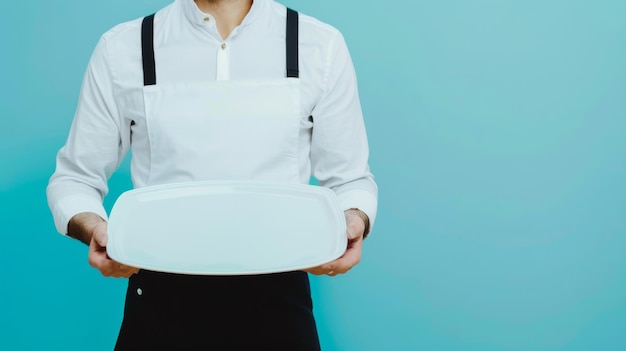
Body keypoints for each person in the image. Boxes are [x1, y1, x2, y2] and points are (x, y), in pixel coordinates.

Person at [47, 0, 377, 349]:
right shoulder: (123, 47)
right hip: (160, 300)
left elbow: (350, 180)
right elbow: (74, 179)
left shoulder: (319, 44)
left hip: (279, 301)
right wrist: (95, 229)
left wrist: (354, 220)